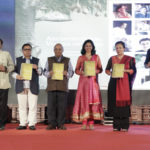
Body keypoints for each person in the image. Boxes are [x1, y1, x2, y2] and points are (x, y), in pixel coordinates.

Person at [72, 39, 103, 130]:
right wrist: (82, 72)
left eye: (90, 46)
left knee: (92, 103)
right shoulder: (81, 58)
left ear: (92, 47)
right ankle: (84, 122)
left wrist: (94, 71)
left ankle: (91, 122)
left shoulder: (96, 57)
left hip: (93, 83)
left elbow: (100, 69)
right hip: (83, 83)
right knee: (84, 101)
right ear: (84, 47)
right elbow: (76, 70)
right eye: (86, 46)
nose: (88, 47)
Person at [105, 41, 136, 132]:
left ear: (124, 48)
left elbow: (133, 71)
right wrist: (110, 73)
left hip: (124, 84)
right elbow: (107, 70)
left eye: (120, 48)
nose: (118, 49)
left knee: (124, 104)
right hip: (114, 83)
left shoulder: (130, 59)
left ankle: (125, 126)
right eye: (117, 48)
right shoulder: (112, 59)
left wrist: (125, 70)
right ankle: (116, 125)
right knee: (115, 104)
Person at [12, 43, 42, 130]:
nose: (27, 51)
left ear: (31, 50)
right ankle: (23, 124)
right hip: (21, 85)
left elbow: (40, 73)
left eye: (29, 49)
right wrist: (17, 76)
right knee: (22, 106)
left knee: (33, 106)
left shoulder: (37, 60)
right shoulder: (17, 60)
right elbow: (13, 72)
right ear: (22, 51)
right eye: (25, 49)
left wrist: (37, 68)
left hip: (33, 86)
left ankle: (32, 124)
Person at [44, 43, 74, 130]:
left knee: (62, 107)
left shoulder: (67, 60)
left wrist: (67, 74)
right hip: (51, 87)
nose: (58, 51)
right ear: (54, 50)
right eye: (56, 49)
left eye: (60, 49)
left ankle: (61, 124)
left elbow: (71, 72)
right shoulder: (49, 59)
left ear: (62, 50)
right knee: (51, 107)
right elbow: (44, 72)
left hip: (63, 87)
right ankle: (52, 124)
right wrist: (49, 73)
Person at [0, 38, 14, 130]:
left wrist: (5, 69)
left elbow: (12, 66)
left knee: (2, 105)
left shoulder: (6, 54)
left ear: (1, 45)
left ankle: (1, 124)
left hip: (4, 83)